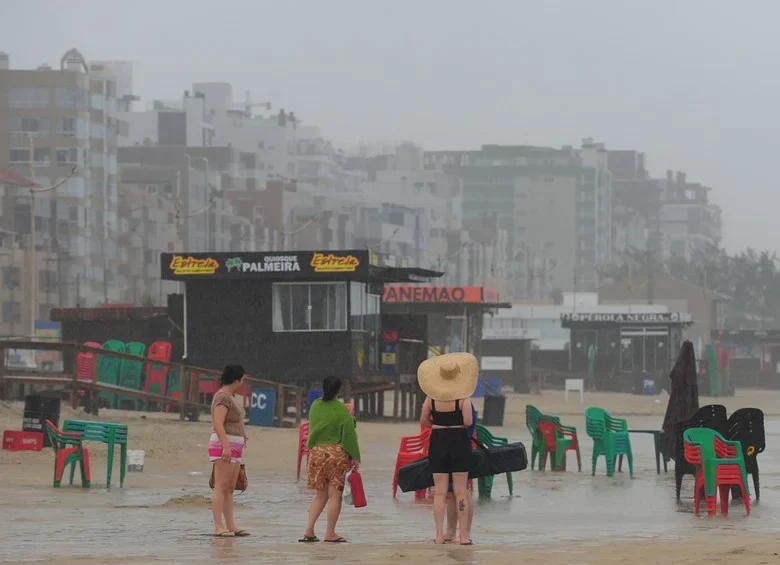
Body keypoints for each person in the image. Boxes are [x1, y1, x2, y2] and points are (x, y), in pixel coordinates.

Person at [418, 352, 478, 545]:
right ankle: (463, 536)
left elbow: (424, 422)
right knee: (461, 490)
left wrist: (437, 424)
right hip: (459, 440)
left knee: (440, 492)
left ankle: (438, 535)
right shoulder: (464, 400)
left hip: (438, 440)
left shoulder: (430, 399)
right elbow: (468, 422)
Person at [300, 376, 361, 544]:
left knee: (320, 495)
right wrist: (354, 456)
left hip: (316, 453)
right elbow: (348, 435)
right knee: (335, 495)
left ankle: (309, 530)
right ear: (339, 390)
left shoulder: (315, 406)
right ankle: (330, 533)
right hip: (335, 455)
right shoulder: (342, 409)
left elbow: (317, 427)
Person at [208, 364, 249, 537]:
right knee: (221, 486)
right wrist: (226, 446)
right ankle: (219, 526)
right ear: (236, 380)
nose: (243, 383)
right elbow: (218, 423)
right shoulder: (222, 397)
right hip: (224, 445)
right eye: (242, 380)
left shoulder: (230, 397)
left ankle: (231, 524)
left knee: (230, 488)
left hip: (235, 446)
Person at [444, 401, 478, 543]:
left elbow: (469, 424)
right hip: (446, 447)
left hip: (461, 446)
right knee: (451, 491)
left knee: (462, 490)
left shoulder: (465, 402)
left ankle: (466, 531)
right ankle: (450, 531)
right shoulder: (444, 401)